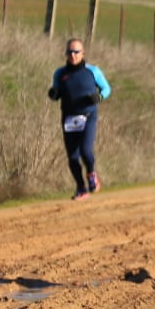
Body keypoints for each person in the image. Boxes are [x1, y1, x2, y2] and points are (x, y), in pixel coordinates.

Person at [47, 37, 111, 201]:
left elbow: (107, 88)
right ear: (66, 54)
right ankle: (81, 188)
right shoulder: (60, 73)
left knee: (85, 151)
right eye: (69, 52)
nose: (73, 55)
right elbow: (56, 90)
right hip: (69, 118)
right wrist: (54, 94)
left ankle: (91, 174)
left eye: (76, 52)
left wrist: (99, 97)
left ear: (83, 53)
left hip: (88, 116)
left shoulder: (93, 71)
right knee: (73, 157)